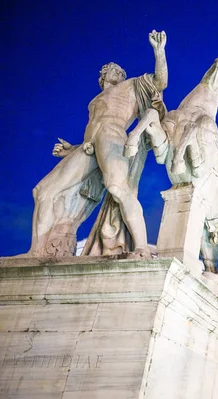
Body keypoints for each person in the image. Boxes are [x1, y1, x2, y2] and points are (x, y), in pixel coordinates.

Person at [25, 30, 168, 258]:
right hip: (87, 146)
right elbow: (92, 127)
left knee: (117, 187)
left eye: (121, 70)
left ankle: (141, 247)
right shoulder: (94, 101)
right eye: (114, 69)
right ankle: (35, 252)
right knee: (42, 190)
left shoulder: (131, 85)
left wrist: (159, 51)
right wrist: (71, 149)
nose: (120, 71)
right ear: (103, 75)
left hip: (112, 136)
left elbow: (160, 81)